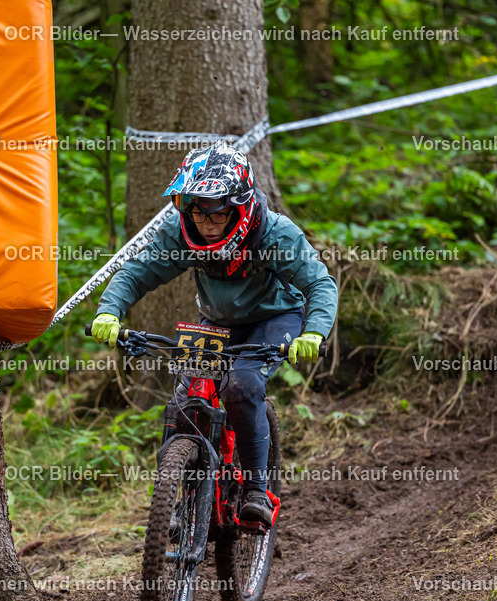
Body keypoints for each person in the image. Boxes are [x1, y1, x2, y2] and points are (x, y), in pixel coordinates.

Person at [90, 142, 338, 527]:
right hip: (216, 322)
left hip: (274, 318)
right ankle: (181, 501)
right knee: (185, 402)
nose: (206, 225)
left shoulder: (274, 233)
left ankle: (257, 489)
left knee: (241, 387)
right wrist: (109, 311)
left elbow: (320, 284)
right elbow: (137, 272)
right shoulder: (181, 231)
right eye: (198, 213)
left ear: (238, 207)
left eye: (218, 214)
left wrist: (313, 333)